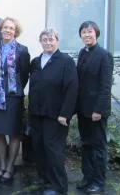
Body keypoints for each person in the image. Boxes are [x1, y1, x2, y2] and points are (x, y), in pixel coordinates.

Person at [28, 28, 78, 195]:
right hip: (37, 113)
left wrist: (65, 113)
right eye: (44, 40)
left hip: (56, 115)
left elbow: (72, 89)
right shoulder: (36, 61)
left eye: (51, 39)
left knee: (53, 149)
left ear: (57, 41)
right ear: (40, 42)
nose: (48, 42)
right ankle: (44, 177)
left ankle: (59, 186)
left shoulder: (65, 61)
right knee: (39, 146)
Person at [0, 17, 30, 183]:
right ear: (0, 30)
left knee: (14, 133)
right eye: (5, 27)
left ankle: (11, 166)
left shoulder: (22, 50)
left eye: (11, 28)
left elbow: (25, 74)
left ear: (15, 31)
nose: (7, 30)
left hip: (14, 98)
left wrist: (13, 89)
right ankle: (2, 164)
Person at [75, 21, 113, 194]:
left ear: (96, 33)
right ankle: (87, 177)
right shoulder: (83, 53)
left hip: (97, 111)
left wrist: (98, 110)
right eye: (84, 32)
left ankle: (99, 181)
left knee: (98, 147)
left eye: (90, 32)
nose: (87, 35)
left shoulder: (104, 55)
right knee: (86, 145)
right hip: (83, 109)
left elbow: (105, 86)